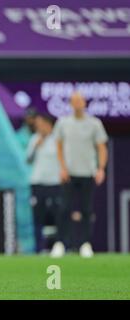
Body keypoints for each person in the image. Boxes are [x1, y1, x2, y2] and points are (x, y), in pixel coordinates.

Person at [51, 92, 108, 258]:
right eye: (74, 101)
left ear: (84, 103)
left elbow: (101, 147)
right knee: (64, 209)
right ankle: (61, 243)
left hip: (87, 172)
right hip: (68, 173)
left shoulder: (94, 124)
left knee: (86, 209)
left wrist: (101, 168)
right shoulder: (63, 123)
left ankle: (85, 244)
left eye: (80, 101)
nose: (77, 104)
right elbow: (59, 147)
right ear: (70, 104)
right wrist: (62, 168)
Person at [26, 113, 62, 253]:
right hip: (38, 183)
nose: (38, 127)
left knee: (58, 215)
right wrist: (36, 146)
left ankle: (59, 246)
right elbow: (28, 159)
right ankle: (39, 248)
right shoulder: (34, 139)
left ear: (48, 124)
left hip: (54, 183)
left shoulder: (58, 139)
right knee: (37, 217)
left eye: (40, 124)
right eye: (36, 125)